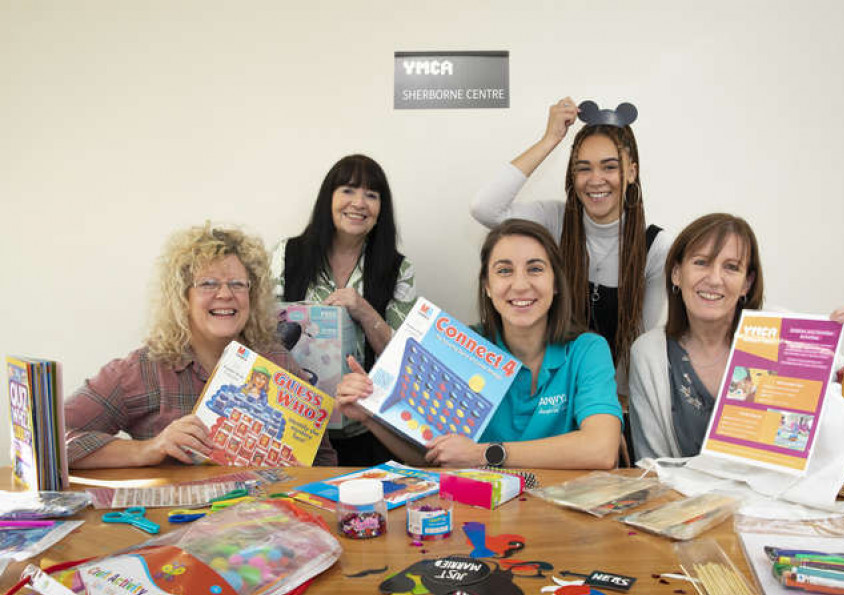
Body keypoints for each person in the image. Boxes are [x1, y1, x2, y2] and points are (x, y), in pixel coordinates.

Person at [336, 219, 622, 469]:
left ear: (556, 283)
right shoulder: (461, 347)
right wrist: (369, 415)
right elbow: (432, 457)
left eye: (535, 269)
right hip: (483, 513)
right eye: (504, 271)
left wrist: (485, 454)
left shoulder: (588, 349)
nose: (520, 285)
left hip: (562, 514)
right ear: (487, 285)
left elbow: (601, 449)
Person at [66, 224, 337, 468]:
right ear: (183, 296)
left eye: (237, 284)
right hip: (175, 520)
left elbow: (321, 460)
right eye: (208, 284)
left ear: (252, 295)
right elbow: (50, 441)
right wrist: (149, 449)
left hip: (264, 517)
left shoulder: (275, 359)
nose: (225, 294)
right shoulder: (142, 370)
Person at [629, 213, 844, 461]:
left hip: (770, 504)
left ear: (747, 283)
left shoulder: (778, 333)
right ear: (676, 273)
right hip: (683, 505)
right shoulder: (649, 353)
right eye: (701, 262)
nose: (714, 279)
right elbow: (652, 467)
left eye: (731, 267)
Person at [470, 97, 670, 383]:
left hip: (608, 394)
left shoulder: (655, 247)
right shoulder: (555, 221)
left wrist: (610, 404)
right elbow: (485, 208)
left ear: (632, 173)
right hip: (546, 386)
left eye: (610, 167)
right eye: (584, 168)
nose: (595, 179)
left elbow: (638, 344)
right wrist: (549, 139)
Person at [273, 154, 417, 466]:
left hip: (367, 429)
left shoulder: (398, 268)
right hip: (295, 425)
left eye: (371, 195)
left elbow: (403, 360)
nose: (359, 203)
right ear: (329, 198)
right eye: (348, 190)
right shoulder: (287, 254)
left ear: (381, 210)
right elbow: (261, 334)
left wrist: (364, 310)